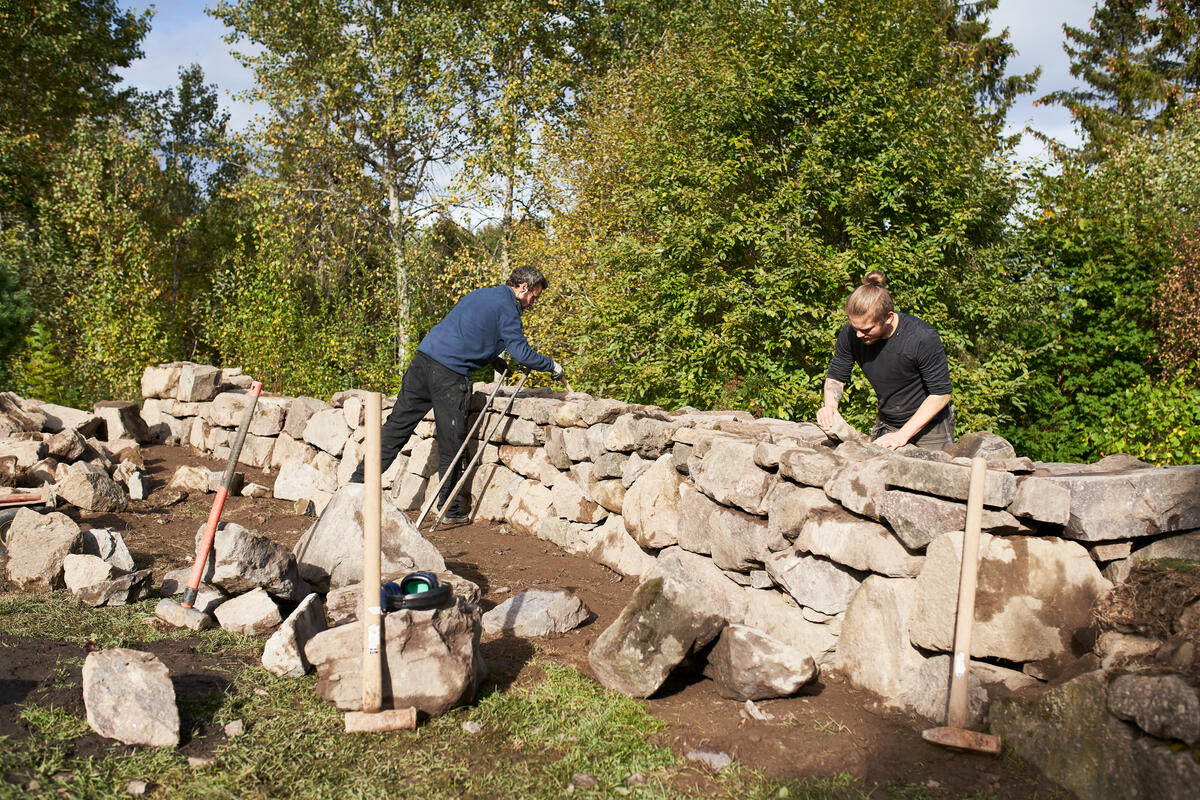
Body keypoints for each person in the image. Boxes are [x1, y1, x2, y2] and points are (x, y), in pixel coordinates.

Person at [351, 265, 563, 523]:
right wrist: (551, 365)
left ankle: (354, 486)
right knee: (452, 442)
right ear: (522, 287)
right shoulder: (509, 308)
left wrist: (493, 359)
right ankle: (449, 510)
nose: (533, 302)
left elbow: (466, 331)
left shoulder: (481, 295)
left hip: (422, 361)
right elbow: (521, 353)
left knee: (395, 428)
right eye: (534, 296)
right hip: (449, 376)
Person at [816, 271, 954, 450]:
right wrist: (830, 408)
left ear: (888, 317)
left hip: (931, 428)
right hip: (888, 421)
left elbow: (941, 394)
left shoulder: (921, 338)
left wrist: (902, 436)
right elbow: (837, 374)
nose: (858, 334)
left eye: (866, 329)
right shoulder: (851, 333)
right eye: (855, 327)